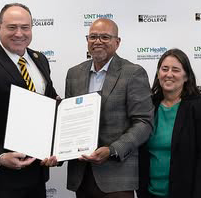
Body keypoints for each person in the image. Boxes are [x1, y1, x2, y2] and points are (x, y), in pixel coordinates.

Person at [0, 3, 59, 198]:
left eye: (25, 27)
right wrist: (0, 156)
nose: (19, 33)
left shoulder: (40, 59)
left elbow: (50, 102)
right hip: (2, 177)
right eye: (12, 27)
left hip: (38, 170)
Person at [62, 17, 154, 198]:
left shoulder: (133, 73)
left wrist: (112, 150)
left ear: (117, 42)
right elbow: (68, 121)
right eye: (93, 37)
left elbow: (144, 123)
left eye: (105, 37)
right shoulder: (74, 74)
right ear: (87, 40)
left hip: (116, 178)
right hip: (81, 176)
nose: (98, 41)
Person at [138, 48, 201, 198]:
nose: (169, 74)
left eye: (175, 70)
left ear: (186, 76)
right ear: (158, 73)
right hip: (151, 193)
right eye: (164, 69)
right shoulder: (148, 105)